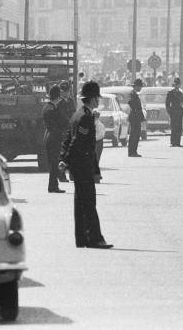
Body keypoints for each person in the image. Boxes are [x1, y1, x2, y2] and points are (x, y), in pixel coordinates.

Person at [59, 81, 113, 249]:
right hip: (83, 164)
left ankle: (82, 238)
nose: (98, 101)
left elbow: (67, 138)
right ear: (92, 99)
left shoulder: (77, 114)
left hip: (79, 165)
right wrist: (66, 160)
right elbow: (76, 141)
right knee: (89, 202)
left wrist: (64, 158)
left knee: (80, 202)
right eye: (97, 98)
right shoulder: (85, 117)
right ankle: (95, 238)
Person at [42, 85, 67, 193]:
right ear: (57, 96)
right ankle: (53, 186)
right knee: (54, 162)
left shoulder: (47, 107)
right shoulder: (53, 109)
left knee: (53, 162)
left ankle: (53, 185)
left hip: (49, 136)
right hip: (54, 137)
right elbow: (61, 122)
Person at [127, 78, 145, 157]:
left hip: (136, 116)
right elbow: (131, 103)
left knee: (136, 135)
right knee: (134, 135)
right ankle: (132, 152)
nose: (141, 88)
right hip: (134, 117)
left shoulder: (135, 94)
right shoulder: (132, 94)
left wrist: (142, 117)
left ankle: (134, 151)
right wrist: (135, 110)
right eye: (140, 86)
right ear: (137, 86)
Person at [166, 77, 183, 147]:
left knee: (179, 128)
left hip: (179, 111)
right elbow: (167, 104)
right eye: (176, 84)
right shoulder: (170, 93)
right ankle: (173, 142)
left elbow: (181, 102)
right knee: (174, 127)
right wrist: (170, 112)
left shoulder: (180, 93)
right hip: (173, 111)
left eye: (178, 84)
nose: (177, 85)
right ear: (174, 84)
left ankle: (178, 142)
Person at [93, 110, 105, 183]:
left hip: (98, 143)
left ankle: (96, 177)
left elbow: (100, 135)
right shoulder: (92, 123)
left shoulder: (99, 125)